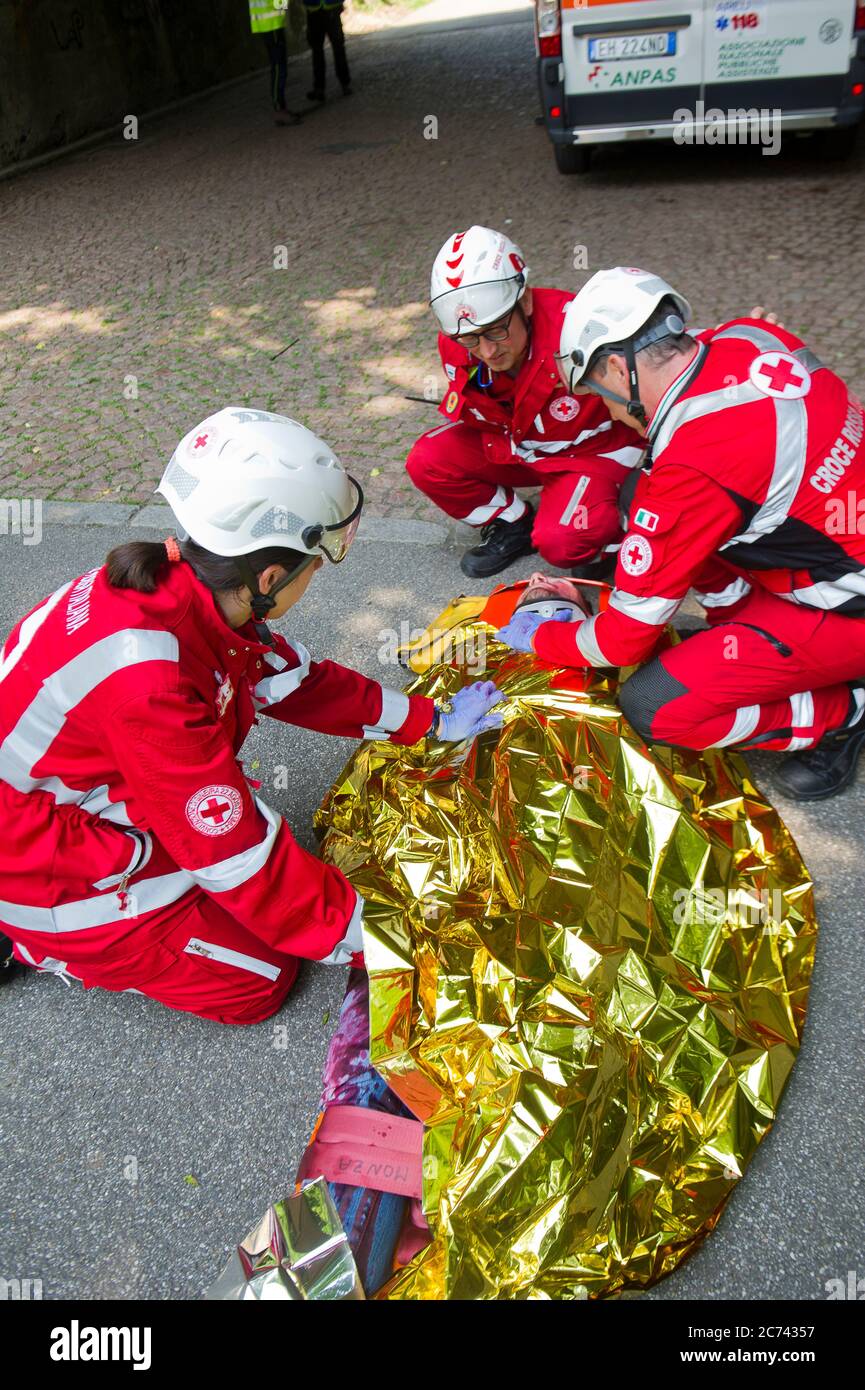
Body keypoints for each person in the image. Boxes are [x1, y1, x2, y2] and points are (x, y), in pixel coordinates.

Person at [0, 409, 503, 1019]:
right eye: (321, 559)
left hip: (80, 796)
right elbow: (239, 863)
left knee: (258, 876)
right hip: (41, 853)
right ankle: (32, 942)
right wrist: (390, 944)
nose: (321, 572)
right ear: (269, 574)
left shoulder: (183, 587)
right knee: (258, 979)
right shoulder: (147, 683)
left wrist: (428, 720)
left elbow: (298, 683)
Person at [496, 267, 865, 802]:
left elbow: (624, 639)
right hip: (832, 541)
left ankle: (844, 713)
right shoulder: (749, 336)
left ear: (619, 368)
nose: (610, 412)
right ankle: (737, 622)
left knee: (656, 705)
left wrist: (539, 636)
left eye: (599, 392)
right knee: (639, 495)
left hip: (844, 607)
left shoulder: (693, 469)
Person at [407, 226, 646, 580]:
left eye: (496, 330)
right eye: (472, 337)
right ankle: (512, 523)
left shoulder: (582, 330)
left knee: (563, 545)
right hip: (518, 446)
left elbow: (657, 384)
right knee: (427, 461)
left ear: (526, 301)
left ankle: (614, 526)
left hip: (587, 455)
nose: (487, 351)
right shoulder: (460, 341)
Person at [248, 0, 298, 126]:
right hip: (272, 22)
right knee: (278, 67)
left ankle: (281, 107)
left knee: (278, 66)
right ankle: (279, 109)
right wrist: (286, 4)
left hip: (267, 23)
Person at [303, 0, 352, 103]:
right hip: (314, 10)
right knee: (317, 51)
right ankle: (319, 88)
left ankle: (344, 83)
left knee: (338, 47)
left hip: (331, 7)